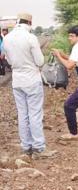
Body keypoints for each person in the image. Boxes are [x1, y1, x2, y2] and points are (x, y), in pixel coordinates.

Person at [2, 13, 56, 158]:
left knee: (22, 114)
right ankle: (38, 148)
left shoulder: (6, 38)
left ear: (18, 21)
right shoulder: (30, 37)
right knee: (35, 114)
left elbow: (8, 60)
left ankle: (26, 146)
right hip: (31, 79)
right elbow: (39, 62)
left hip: (17, 80)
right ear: (30, 22)